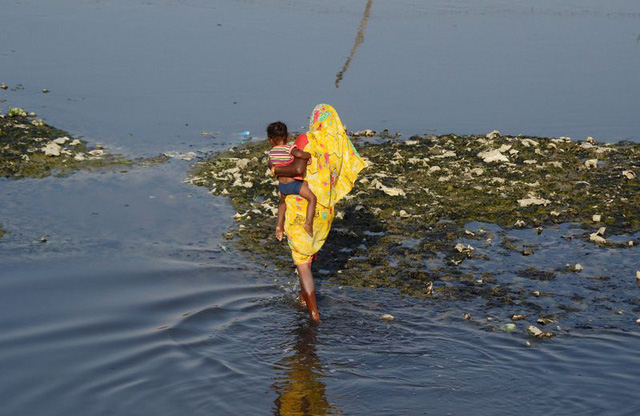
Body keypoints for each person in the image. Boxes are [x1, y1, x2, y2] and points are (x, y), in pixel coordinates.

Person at [272, 104, 367, 322]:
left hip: (301, 205)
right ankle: (303, 298)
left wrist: (276, 170)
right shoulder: (337, 144)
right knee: (310, 253)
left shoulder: (307, 139)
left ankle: (314, 313)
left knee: (302, 263)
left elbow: (297, 169)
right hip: (324, 209)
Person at [267, 121, 317, 239]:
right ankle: (308, 224)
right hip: (293, 184)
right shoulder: (289, 148)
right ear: (287, 135)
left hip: (282, 186)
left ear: (270, 139)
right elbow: (299, 154)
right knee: (312, 198)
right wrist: (308, 155)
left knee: (282, 203)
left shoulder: (271, 153)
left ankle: (279, 227)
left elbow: (272, 165)